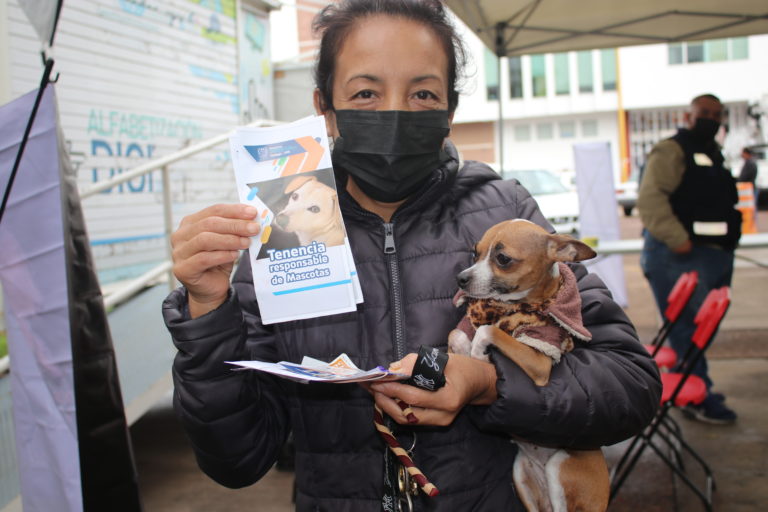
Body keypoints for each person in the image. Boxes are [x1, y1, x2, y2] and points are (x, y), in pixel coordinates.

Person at [163, 1, 661, 509]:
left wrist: (491, 384)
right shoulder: (282, 233)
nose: (394, 113)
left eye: (423, 93)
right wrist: (207, 312)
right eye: (365, 92)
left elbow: (630, 388)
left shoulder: (507, 217)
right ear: (324, 108)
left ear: (450, 111)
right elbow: (235, 459)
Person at [637, 93, 741, 425]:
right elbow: (651, 199)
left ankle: (691, 385)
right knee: (686, 329)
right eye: (704, 113)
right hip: (678, 255)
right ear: (688, 116)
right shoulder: (673, 150)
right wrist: (678, 240)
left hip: (712, 254)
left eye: (717, 114)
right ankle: (697, 394)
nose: (711, 119)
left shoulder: (713, 152)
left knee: (699, 329)